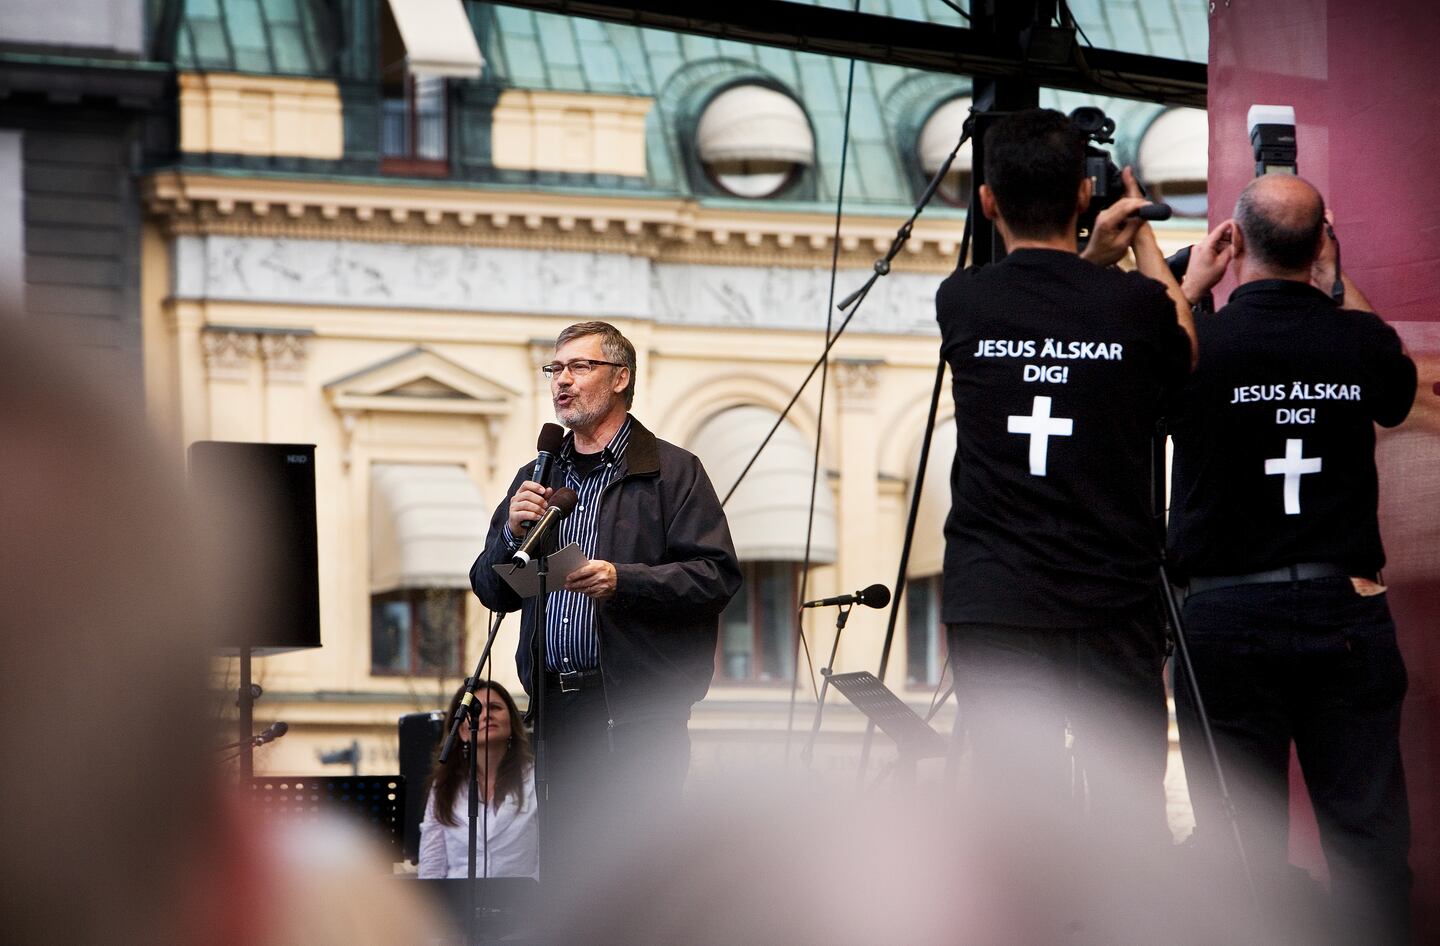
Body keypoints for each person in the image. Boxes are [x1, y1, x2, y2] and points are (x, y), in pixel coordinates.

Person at [934, 107, 1196, 942]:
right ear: (1087, 192)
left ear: (985, 202)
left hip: (996, 600)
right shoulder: (1132, 310)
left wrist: (1089, 254)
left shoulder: (962, 301)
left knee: (1018, 813)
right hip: (1111, 599)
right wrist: (1140, 246)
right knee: (1127, 806)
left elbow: (1044, 309)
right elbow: (1181, 344)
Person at [1168, 174, 1417, 945]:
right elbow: (1398, 385)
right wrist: (1339, 282)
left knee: (1237, 847)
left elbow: (1155, 371)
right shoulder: (1354, 339)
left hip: (1223, 618)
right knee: (1368, 840)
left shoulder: (1196, 340)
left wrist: (1187, 288)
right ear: (1319, 247)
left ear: (1234, 242)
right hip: (1343, 614)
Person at [469, 320, 741, 880]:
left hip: (638, 714)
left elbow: (715, 577)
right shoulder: (537, 476)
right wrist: (510, 536)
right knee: (568, 881)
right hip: (555, 714)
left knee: (637, 879)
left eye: (578, 367)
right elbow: (491, 588)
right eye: (555, 369)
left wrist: (626, 580)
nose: (561, 381)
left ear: (620, 377)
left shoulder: (672, 472)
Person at [418, 680, 538, 879]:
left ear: (512, 720)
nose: (486, 715)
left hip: (522, 905)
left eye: (495, 707)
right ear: (462, 732)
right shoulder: (443, 787)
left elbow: (548, 861)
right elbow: (431, 866)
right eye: (475, 711)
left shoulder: (537, 779)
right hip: (457, 906)